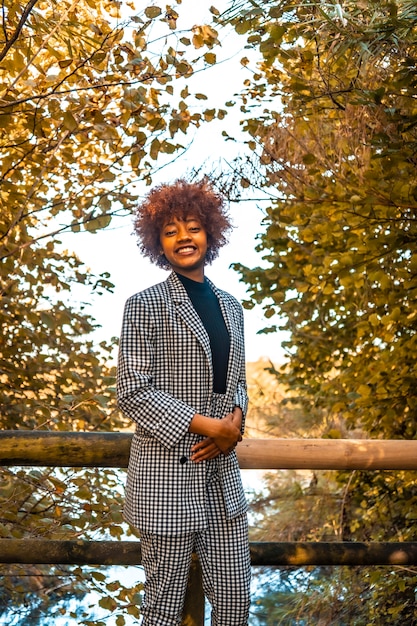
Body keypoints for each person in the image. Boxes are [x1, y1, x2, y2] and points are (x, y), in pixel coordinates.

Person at [116, 178, 251, 625]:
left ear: (210, 234)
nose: (183, 238)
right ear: (158, 244)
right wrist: (205, 426)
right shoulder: (144, 304)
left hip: (222, 482)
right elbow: (133, 389)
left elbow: (238, 386)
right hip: (165, 481)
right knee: (163, 610)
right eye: (170, 231)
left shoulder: (233, 307)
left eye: (192, 227)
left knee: (235, 604)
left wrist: (233, 426)